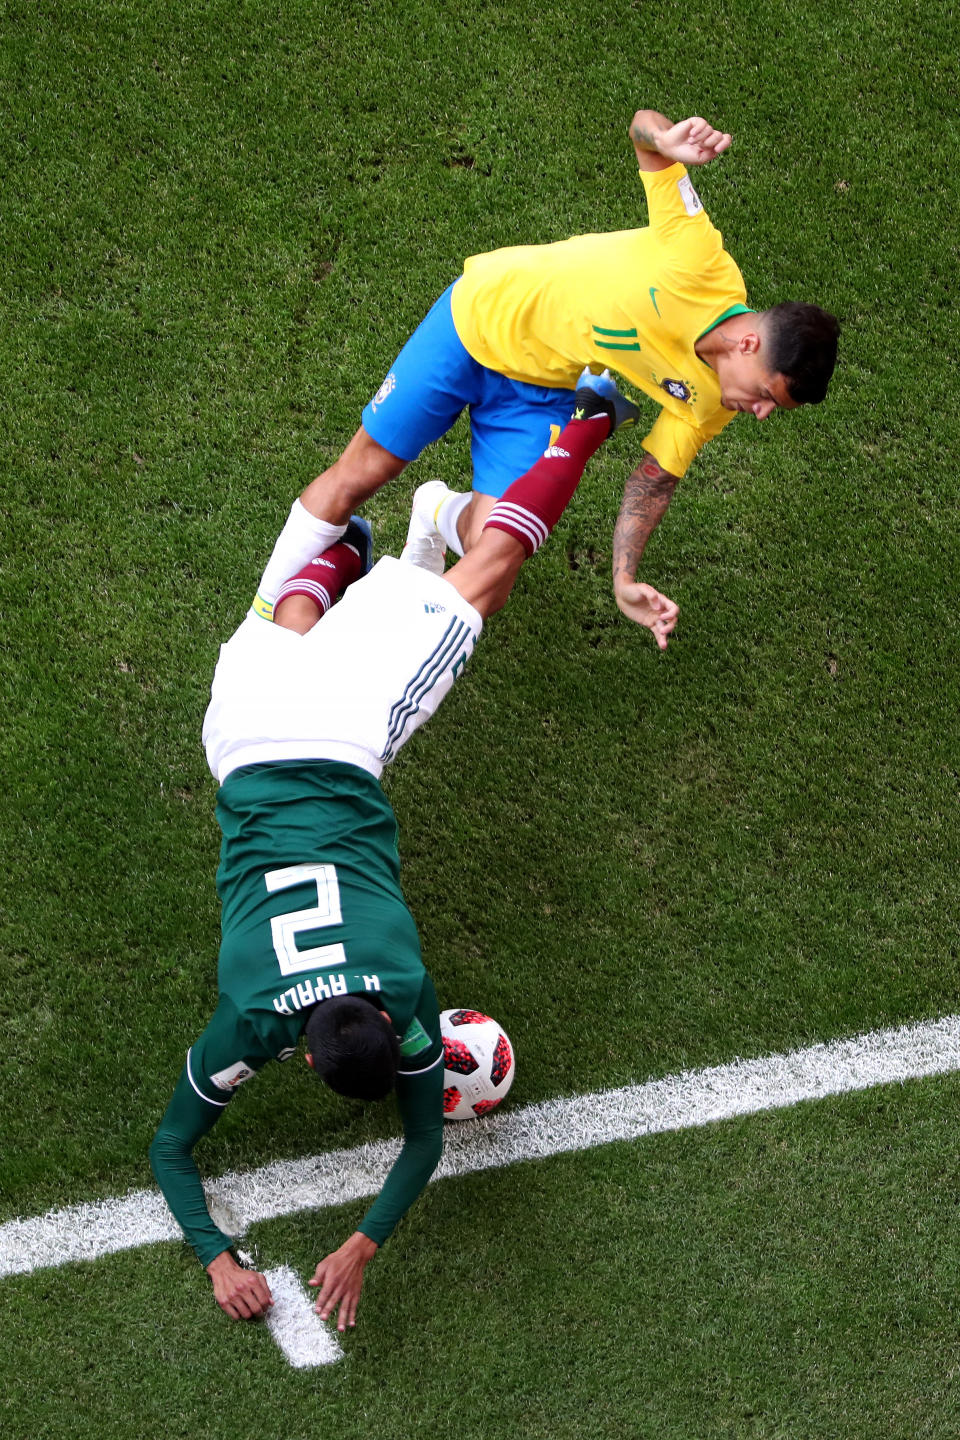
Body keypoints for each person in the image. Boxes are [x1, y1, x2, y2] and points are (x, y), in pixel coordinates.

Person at [149, 370, 655, 1332]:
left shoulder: (403, 975)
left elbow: (422, 1141)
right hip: (240, 728)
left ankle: (586, 422)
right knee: (296, 609)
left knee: (486, 579)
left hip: (342, 735)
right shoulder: (254, 1013)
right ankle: (339, 572)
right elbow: (172, 1149)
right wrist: (216, 1258)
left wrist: (362, 1243)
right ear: (301, 1058)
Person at [300, 107, 839, 651]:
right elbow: (641, 131)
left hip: (539, 395)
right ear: (749, 345)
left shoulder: (712, 403)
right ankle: (277, 631)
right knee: (358, 476)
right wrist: (665, 140)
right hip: (477, 320)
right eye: (769, 396)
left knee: (493, 566)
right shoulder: (697, 261)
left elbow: (654, 480)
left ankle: (434, 511)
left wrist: (624, 577)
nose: (762, 413)